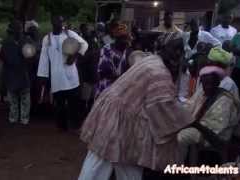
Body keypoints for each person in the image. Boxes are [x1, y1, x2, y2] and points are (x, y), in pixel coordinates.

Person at [78, 33, 194, 180]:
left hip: (114, 117)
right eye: (175, 48)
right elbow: (164, 106)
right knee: (107, 165)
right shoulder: (159, 71)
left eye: (181, 50)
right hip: (118, 122)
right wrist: (191, 121)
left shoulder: (152, 60)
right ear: (163, 48)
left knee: (109, 163)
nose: (178, 53)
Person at [178, 66, 240, 161]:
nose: (208, 86)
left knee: (181, 137)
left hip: (213, 134)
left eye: (211, 83)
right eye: (205, 84)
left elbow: (215, 127)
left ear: (218, 83)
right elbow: (188, 106)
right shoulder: (202, 93)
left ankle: (177, 169)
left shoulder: (224, 100)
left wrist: (192, 123)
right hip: (197, 126)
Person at [37, 15, 88, 131]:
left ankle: (76, 125)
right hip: (57, 77)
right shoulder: (47, 38)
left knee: (74, 103)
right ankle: (62, 126)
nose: (60, 24)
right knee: (59, 104)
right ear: (52, 22)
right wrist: (42, 76)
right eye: (57, 22)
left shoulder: (69, 34)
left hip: (71, 77)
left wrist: (75, 56)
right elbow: (43, 58)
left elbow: (84, 44)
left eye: (61, 22)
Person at [0, 20, 31, 125]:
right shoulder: (6, 43)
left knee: (25, 98)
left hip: (23, 72)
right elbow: (2, 57)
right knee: (13, 98)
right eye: (16, 29)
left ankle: (24, 119)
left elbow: (31, 57)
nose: (19, 31)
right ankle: (13, 118)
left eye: (20, 28)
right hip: (11, 72)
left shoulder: (26, 41)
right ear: (12, 30)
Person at [94, 23, 131, 98]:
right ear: (117, 38)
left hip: (119, 90)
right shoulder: (106, 48)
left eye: (126, 38)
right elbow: (103, 72)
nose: (126, 41)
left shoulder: (127, 51)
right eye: (123, 38)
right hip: (105, 89)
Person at [25, 25, 42, 116]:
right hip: (30, 69)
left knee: (37, 89)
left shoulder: (40, 41)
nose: (35, 33)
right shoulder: (27, 42)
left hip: (38, 69)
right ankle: (30, 109)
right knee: (30, 89)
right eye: (33, 31)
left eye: (36, 31)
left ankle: (35, 108)